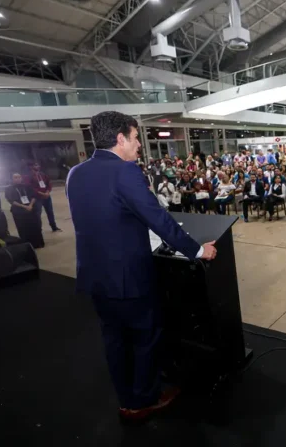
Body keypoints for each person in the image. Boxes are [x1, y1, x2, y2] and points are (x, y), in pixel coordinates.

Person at [65, 111, 216, 422]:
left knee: (115, 341)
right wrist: (198, 250)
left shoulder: (75, 174)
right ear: (120, 138)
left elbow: (106, 219)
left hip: (96, 277)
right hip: (128, 278)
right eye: (135, 138)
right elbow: (158, 218)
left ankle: (126, 399)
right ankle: (143, 400)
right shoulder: (125, 172)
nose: (139, 145)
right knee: (145, 338)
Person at [5, 173, 44, 249]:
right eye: (15, 177)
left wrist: (30, 205)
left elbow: (34, 196)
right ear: (12, 179)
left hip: (31, 209)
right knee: (23, 229)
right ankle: (28, 245)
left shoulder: (27, 186)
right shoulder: (9, 189)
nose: (18, 179)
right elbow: (11, 201)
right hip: (19, 211)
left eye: (19, 177)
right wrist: (24, 206)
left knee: (35, 227)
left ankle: (38, 243)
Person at [24, 162, 61, 232]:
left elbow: (49, 184)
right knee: (38, 214)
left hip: (47, 197)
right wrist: (41, 193)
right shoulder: (28, 176)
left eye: (38, 165)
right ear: (31, 167)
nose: (37, 166)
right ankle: (38, 229)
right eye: (35, 165)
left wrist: (47, 192)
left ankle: (54, 227)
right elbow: (30, 188)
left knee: (50, 212)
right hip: (37, 198)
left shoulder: (43, 175)